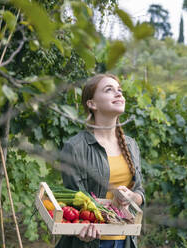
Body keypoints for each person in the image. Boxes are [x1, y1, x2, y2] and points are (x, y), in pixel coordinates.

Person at [55, 74, 145, 248]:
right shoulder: (76, 147)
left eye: (119, 90)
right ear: (92, 104)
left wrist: (133, 196)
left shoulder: (131, 145)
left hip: (125, 240)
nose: (118, 94)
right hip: (92, 242)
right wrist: (83, 228)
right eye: (109, 90)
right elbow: (76, 200)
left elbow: (140, 191)